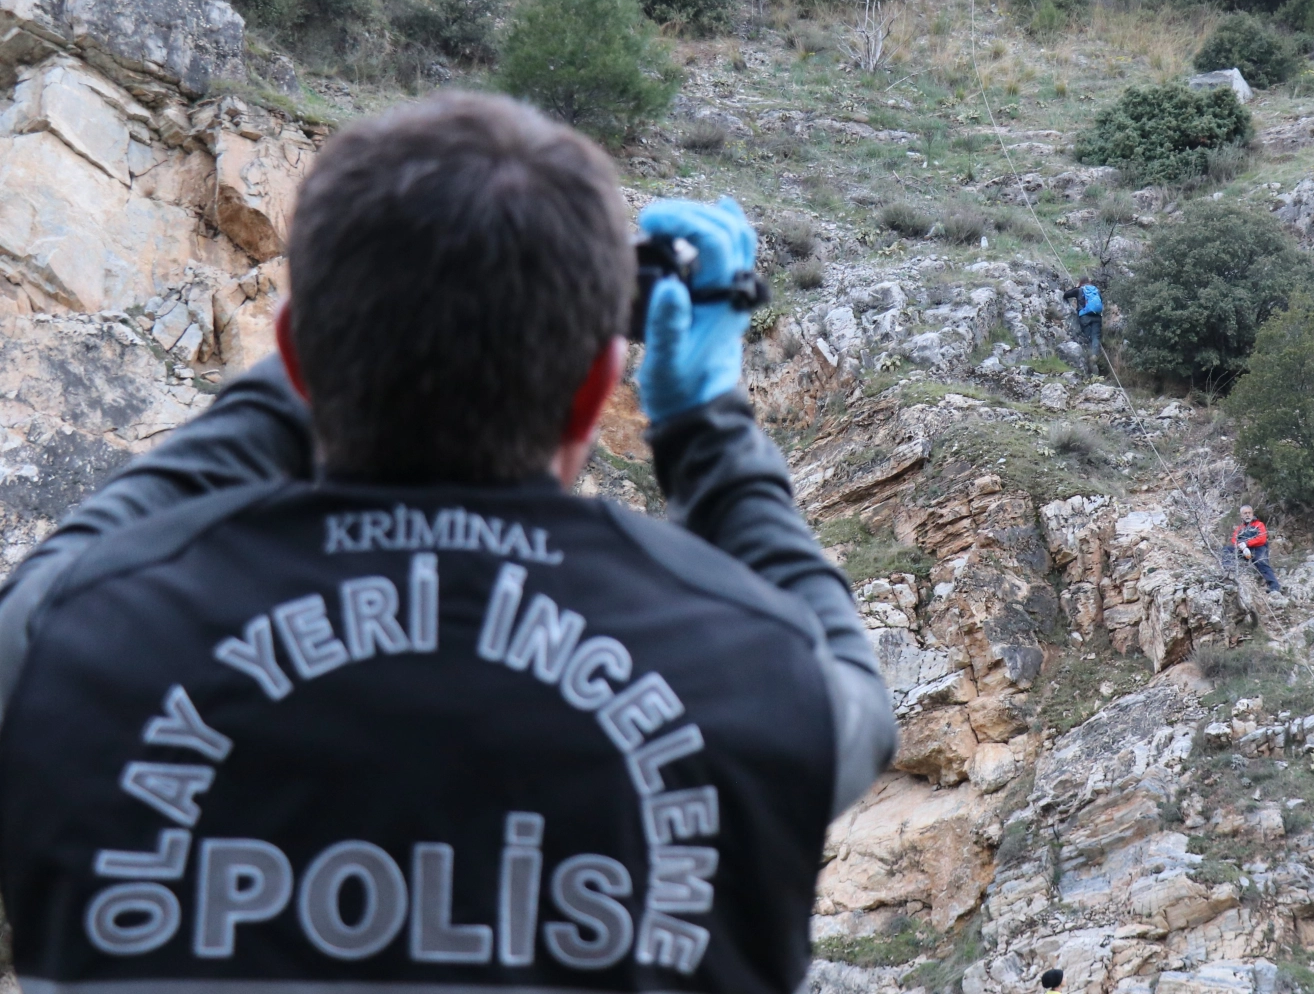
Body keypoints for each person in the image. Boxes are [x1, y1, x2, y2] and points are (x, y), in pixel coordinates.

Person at [0, 93, 897, 991]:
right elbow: (850, 693)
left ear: (299, 358)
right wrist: (706, 424)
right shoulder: (756, 679)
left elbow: (39, 603)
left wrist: (339, 336)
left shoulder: (83, 644)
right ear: (594, 394)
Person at [1222, 505, 1281, 593]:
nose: (1247, 515)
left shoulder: (1259, 525)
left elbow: (1262, 539)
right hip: (1243, 550)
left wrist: (1246, 543)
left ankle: (1274, 586)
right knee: (1227, 549)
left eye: (1249, 513)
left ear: (1252, 514)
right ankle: (1228, 571)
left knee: (1262, 562)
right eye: (1245, 513)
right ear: (1241, 515)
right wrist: (1241, 546)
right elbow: (1234, 539)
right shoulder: (1240, 528)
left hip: (1259, 548)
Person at [1060, 278, 1104, 376]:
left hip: (1085, 316)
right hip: (1097, 316)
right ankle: (1094, 355)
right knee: (1095, 337)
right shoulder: (1096, 290)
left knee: (1087, 337)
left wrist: (1076, 287)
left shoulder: (1079, 290)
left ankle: (1090, 356)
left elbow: (1066, 294)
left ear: (1080, 283)